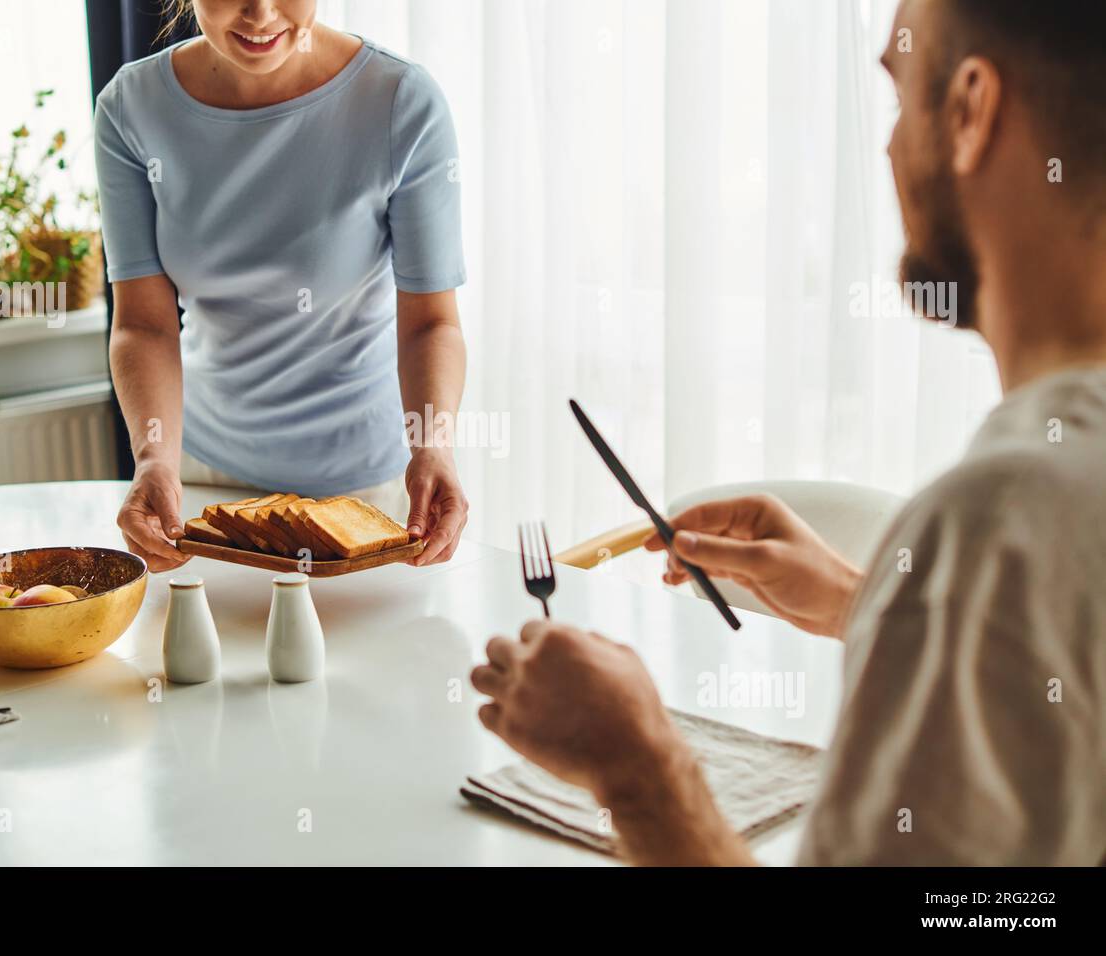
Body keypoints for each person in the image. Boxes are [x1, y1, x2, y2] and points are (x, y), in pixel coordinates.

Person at [472, 0, 1106, 865]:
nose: (884, 151)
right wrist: (865, 603)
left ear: (970, 109)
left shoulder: (1003, 520)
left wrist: (638, 767)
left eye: (898, 96)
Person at [93, 0, 469, 573]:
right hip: (195, 479)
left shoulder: (399, 102)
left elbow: (431, 322)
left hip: (361, 493)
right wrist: (154, 461)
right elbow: (144, 323)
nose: (260, 12)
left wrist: (433, 446)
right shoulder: (131, 108)